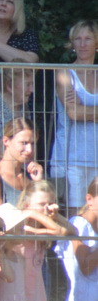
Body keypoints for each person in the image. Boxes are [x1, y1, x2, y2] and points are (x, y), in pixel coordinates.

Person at [52, 20, 98, 203]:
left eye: (88, 38)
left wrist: (84, 109)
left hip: (96, 155)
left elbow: (80, 111)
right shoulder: (65, 73)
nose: (82, 43)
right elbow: (73, 114)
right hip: (70, 157)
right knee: (75, 216)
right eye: (78, 39)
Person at [0, 118, 44, 213]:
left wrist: (38, 182)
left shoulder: (30, 175)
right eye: (24, 143)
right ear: (6, 141)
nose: (29, 150)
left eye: (33, 143)